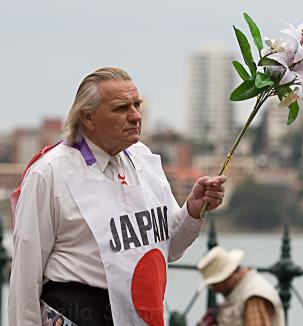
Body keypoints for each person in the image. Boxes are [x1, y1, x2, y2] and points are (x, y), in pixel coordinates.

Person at [9, 67, 227, 326]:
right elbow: (25, 276)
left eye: (137, 105)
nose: (135, 116)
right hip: (74, 313)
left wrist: (192, 210)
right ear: (88, 117)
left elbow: (168, 249)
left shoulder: (144, 160)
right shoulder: (49, 173)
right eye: (121, 108)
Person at [197, 246, 285, 326]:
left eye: (215, 284)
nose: (215, 290)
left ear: (227, 276)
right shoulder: (241, 290)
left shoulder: (253, 296)